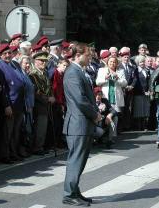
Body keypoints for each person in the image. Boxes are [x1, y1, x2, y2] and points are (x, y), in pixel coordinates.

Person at [62, 42, 101, 206]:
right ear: (77, 55)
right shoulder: (72, 72)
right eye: (87, 54)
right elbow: (80, 100)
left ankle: (75, 191)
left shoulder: (79, 71)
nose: (90, 57)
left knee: (80, 160)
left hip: (83, 124)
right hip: (78, 124)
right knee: (76, 160)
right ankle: (69, 194)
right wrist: (95, 115)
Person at [29, 51, 55, 155]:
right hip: (39, 105)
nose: (43, 63)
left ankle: (41, 146)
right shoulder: (33, 74)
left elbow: (49, 87)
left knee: (43, 127)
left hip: (46, 105)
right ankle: (36, 147)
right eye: (41, 61)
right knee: (39, 127)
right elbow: (35, 91)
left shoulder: (44, 73)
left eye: (45, 61)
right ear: (35, 61)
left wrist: (52, 96)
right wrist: (47, 99)